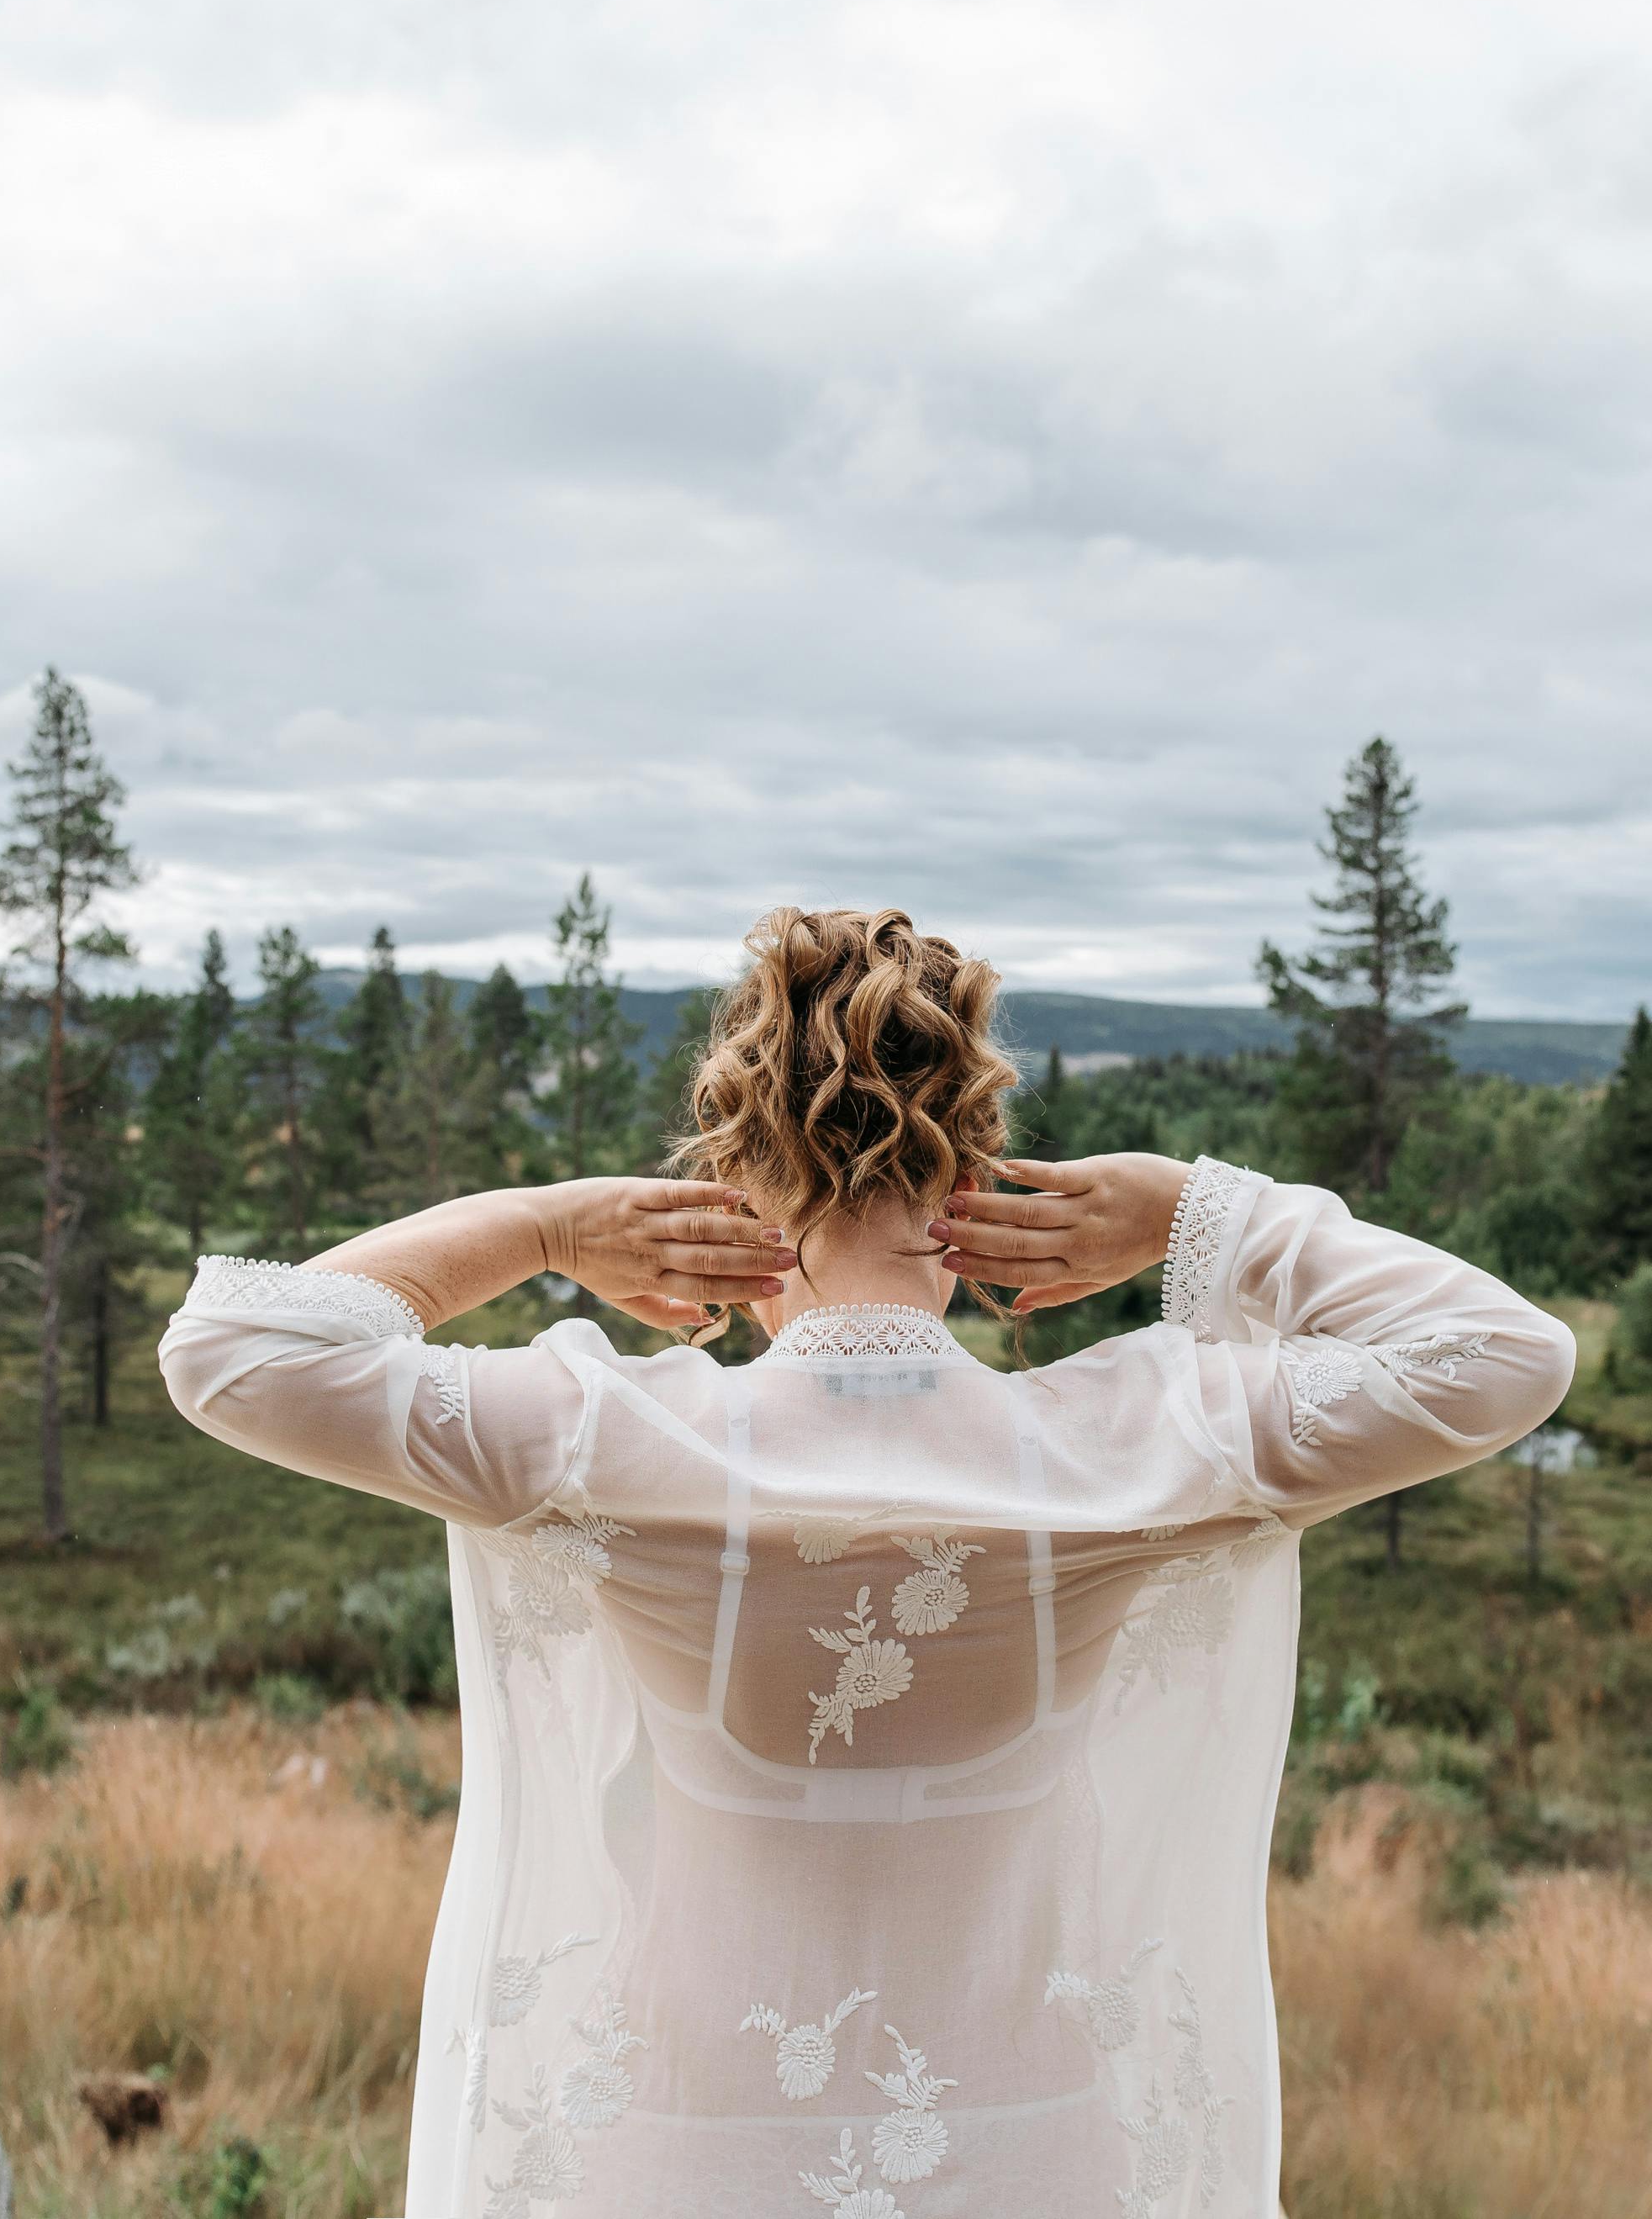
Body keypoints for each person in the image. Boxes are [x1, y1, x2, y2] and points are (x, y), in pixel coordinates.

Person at [160, 906, 1575, 2219]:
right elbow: (1506, 1353)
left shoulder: (615, 1440)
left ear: (739, 1177)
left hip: (683, 2158)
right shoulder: (1139, 1442)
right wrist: (1194, 1214)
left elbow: (230, 1350)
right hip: (1038, 2161)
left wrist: (549, 1228)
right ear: (971, 1169)